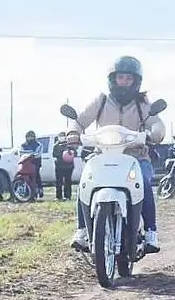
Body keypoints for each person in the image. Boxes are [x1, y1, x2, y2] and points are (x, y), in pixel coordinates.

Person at [69, 55, 165, 253]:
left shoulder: (142, 104)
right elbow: (80, 120)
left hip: (136, 157)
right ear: (112, 79)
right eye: (121, 77)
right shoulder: (101, 101)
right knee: (84, 184)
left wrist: (153, 133)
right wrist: (72, 133)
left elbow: (156, 123)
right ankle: (82, 231)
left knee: (145, 184)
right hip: (102, 155)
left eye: (129, 78)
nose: (124, 82)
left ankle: (150, 233)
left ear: (136, 81)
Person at [51, 131, 75, 201]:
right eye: (60, 136)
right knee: (59, 182)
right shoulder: (56, 145)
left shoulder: (69, 145)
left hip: (69, 166)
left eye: (63, 136)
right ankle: (59, 197)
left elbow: (75, 153)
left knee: (68, 182)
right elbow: (54, 154)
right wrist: (62, 153)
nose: (62, 137)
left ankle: (67, 196)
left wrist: (70, 152)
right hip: (59, 166)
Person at [20, 131, 44, 199]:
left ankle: (39, 190)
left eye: (31, 136)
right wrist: (30, 154)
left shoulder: (38, 144)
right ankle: (29, 192)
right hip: (26, 163)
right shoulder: (23, 145)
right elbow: (21, 153)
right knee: (27, 178)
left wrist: (30, 154)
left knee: (36, 177)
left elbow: (37, 154)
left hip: (35, 163)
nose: (30, 138)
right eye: (28, 136)